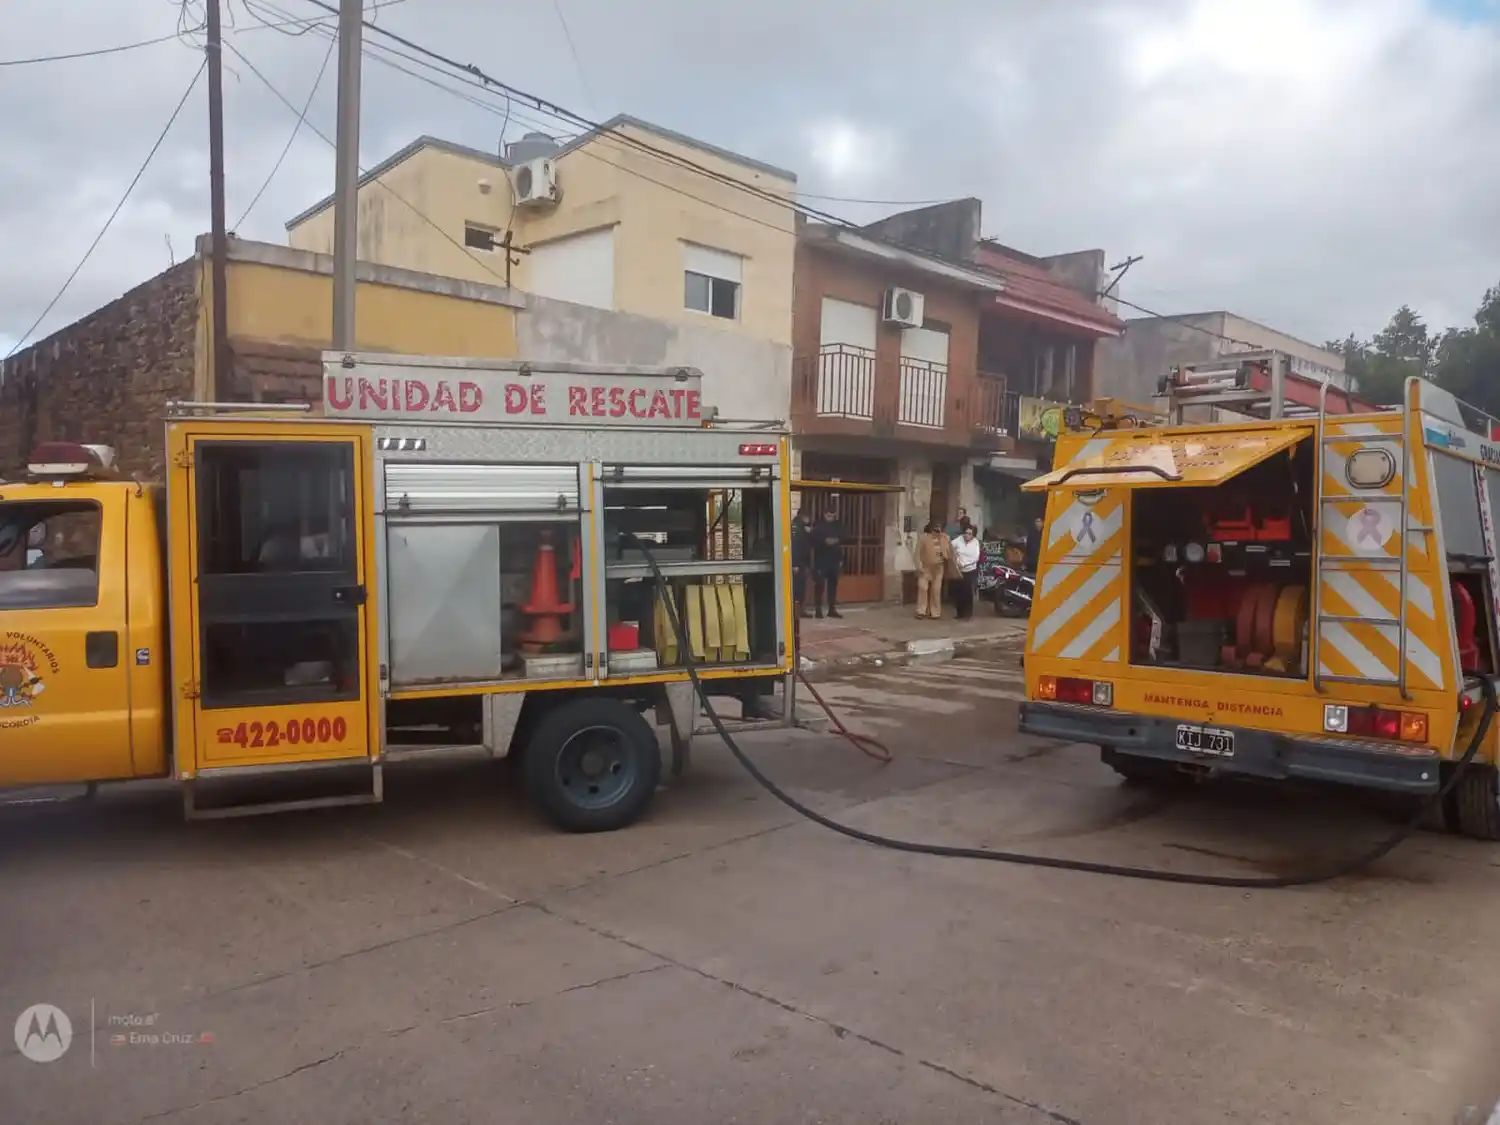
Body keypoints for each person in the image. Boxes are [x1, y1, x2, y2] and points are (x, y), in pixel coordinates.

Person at [809, 504, 845, 619]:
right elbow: (813, 540)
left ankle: (831, 609)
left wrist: (840, 559)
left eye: (832, 516)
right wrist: (824, 541)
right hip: (821, 559)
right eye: (829, 515)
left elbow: (843, 537)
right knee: (820, 585)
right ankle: (818, 609)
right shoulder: (818, 525)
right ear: (824, 514)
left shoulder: (837, 525)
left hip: (834, 559)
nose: (830, 518)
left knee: (833, 585)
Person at [915, 523, 953, 620]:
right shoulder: (924, 539)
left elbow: (948, 553)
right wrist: (919, 566)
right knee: (923, 588)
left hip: (938, 568)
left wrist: (945, 540)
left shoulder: (944, 539)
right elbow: (917, 554)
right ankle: (921, 611)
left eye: (939, 529)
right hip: (925, 567)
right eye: (935, 530)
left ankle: (935, 612)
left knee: (936, 590)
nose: (937, 532)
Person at [951, 524, 981, 620]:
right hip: (959, 571)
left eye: (969, 534)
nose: (967, 535)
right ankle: (960, 613)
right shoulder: (959, 540)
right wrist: (955, 558)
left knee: (968, 592)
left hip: (970, 570)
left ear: (973, 535)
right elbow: (950, 546)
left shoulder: (975, 543)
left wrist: (963, 564)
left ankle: (968, 614)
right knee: (958, 592)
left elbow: (975, 558)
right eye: (966, 533)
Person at [791, 512, 812, 618]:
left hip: (802, 563)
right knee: (797, 589)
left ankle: (798, 610)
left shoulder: (801, 528)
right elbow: (795, 547)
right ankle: (795, 611)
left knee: (800, 588)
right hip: (798, 564)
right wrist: (794, 564)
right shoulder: (795, 528)